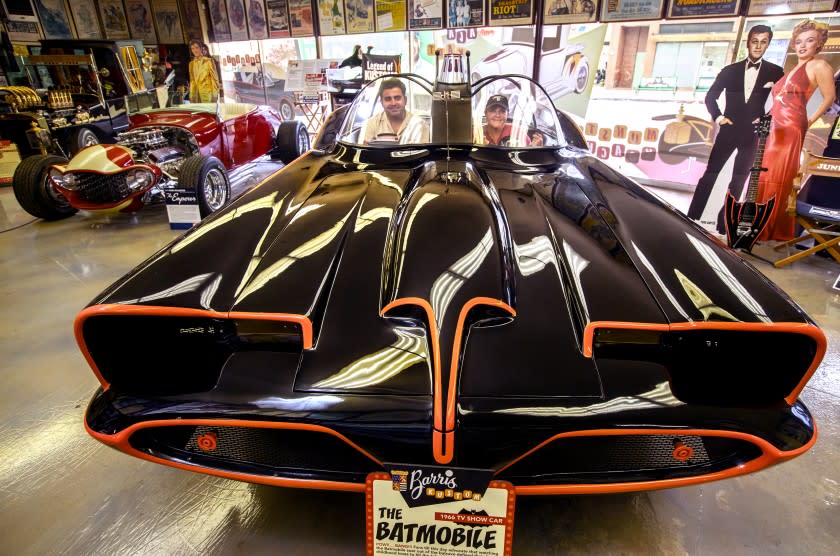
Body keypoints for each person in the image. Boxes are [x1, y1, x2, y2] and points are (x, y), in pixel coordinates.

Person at [686, 24, 783, 234]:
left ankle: (724, 225)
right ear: (748, 42)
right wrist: (719, 117)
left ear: (768, 44)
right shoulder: (730, 70)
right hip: (728, 130)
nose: (758, 46)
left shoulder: (776, 72)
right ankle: (692, 217)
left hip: (753, 134)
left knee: (739, 178)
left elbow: (783, 102)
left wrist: (767, 117)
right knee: (710, 173)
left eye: (763, 42)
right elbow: (710, 96)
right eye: (754, 41)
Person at [756, 19, 836, 241]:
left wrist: (809, 120)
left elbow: (830, 98)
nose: (802, 46)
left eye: (809, 41)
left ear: (819, 44)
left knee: (778, 175)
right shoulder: (795, 67)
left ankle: (772, 227)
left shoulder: (819, 66)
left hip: (791, 126)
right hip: (773, 127)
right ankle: (759, 222)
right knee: (764, 174)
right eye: (799, 41)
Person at [362, 78, 429, 144]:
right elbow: (365, 152)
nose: (393, 103)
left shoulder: (420, 125)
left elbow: (422, 154)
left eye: (397, 98)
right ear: (381, 102)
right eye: (388, 99)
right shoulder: (372, 124)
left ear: (405, 100)